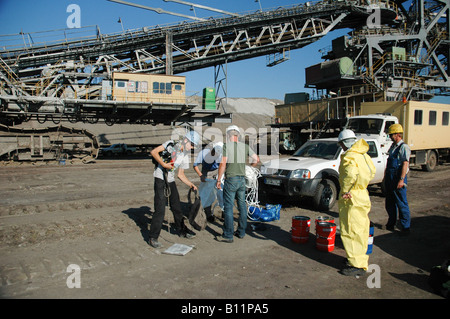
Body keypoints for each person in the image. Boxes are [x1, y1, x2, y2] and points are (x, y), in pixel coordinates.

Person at [148, 131, 200, 248]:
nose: (192, 147)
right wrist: (164, 164)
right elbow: (154, 152)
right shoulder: (171, 144)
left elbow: (180, 175)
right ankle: (153, 237)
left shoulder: (185, 155)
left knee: (176, 207)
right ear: (186, 140)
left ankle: (182, 230)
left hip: (170, 180)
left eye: (194, 146)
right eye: (192, 144)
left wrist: (191, 184)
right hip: (160, 178)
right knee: (160, 208)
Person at [337, 129, 376, 276]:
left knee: (351, 230)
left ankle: (357, 265)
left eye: (341, 144)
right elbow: (372, 171)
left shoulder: (350, 156)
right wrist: (361, 184)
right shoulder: (363, 155)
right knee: (361, 230)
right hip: (362, 194)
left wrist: (346, 190)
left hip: (351, 197)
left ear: (344, 143)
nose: (341, 147)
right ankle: (356, 259)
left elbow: (350, 174)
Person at [216, 125, 259, 242]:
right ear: (238, 135)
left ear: (229, 135)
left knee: (229, 207)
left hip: (231, 180)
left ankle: (228, 235)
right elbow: (256, 159)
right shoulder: (245, 146)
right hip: (241, 180)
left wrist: (219, 179)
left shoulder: (226, 146)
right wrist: (250, 168)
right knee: (242, 206)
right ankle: (241, 232)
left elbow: (223, 164)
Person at [384, 123, 411, 234]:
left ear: (397, 134)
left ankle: (405, 227)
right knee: (390, 203)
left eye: (391, 135)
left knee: (401, 203)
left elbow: (405, 164)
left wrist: (401, 180)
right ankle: (391, 224)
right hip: (390, 178)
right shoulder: (393, 147)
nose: (390, 137)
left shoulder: (403, 147)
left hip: (397, 178)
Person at [193, 142, 224, 222]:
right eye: (215, 153)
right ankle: (208, 213)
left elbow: (223, 165)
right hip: (207, 172)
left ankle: (224, 212)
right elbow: (195, 165)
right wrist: (201, 175)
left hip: (217, 171)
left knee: (221, 192)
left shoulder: (222, 154)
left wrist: (220, 178)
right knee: (207, 194)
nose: (217, 155)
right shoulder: (203, 153)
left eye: (218, 153)